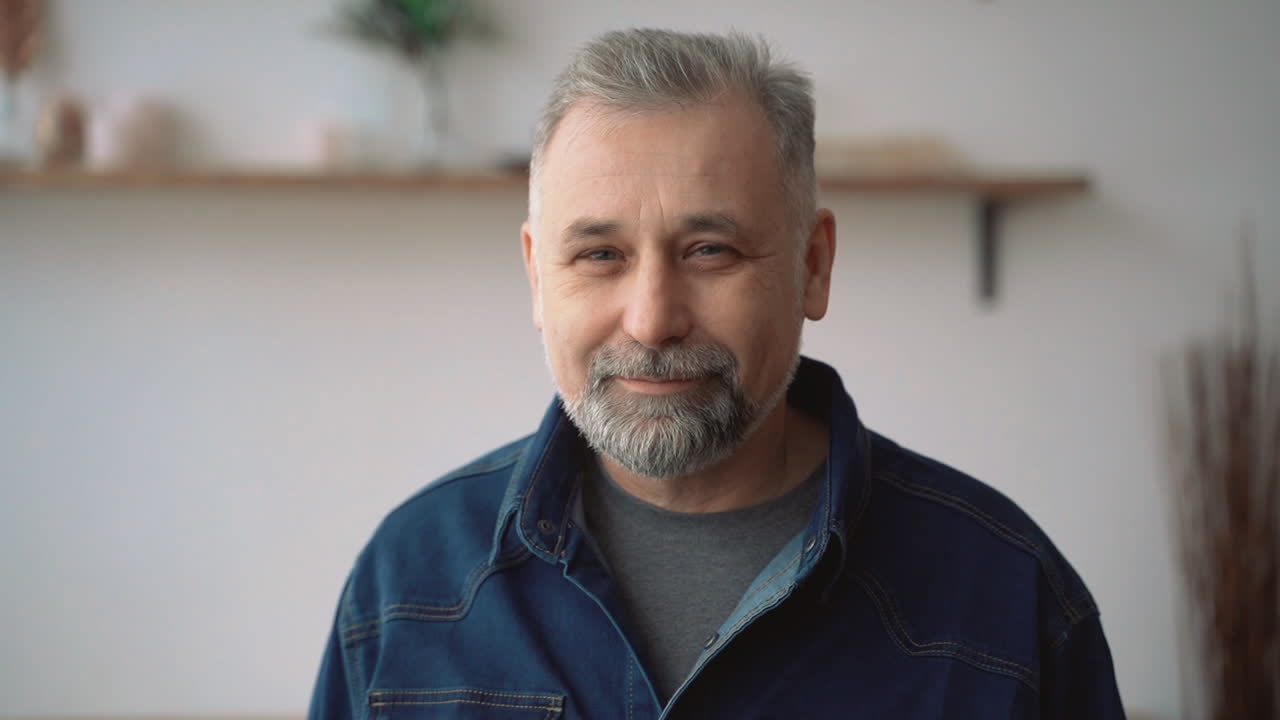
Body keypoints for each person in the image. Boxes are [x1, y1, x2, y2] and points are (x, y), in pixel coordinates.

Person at [309, 29, 1125, 719]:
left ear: (813, 265)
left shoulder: (1007, 599)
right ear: (536, 276)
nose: (653, 318)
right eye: (600, 255)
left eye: (710, 251)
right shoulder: (406, 584)